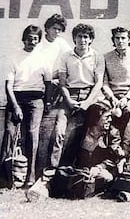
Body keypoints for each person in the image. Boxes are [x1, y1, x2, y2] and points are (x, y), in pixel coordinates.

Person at [0, 25, 52, 187]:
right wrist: (15, 106)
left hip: (36, 99)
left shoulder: (44, 58)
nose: (32, 42)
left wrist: (48, 102)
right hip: (16, 98)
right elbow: (8, 86)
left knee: (31, 133)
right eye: (29, 38)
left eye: (35, 39)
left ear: (39, 41)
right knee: (9, 132)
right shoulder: (14, 56)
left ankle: (30, 177)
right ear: (24, 39)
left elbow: (48, 83)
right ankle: (4, 178)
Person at [50, 23, 105, 167]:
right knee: (59, 131)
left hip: (90, 95)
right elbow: (62, 83)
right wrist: (68, 100)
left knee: (82, 134)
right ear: (74, 38)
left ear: (90, 39)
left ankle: (76, 169)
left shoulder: (97, 56)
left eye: (86, 37)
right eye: (79, 36)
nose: (82, 40)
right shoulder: (66, 56)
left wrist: (87, 103)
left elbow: (98, 83)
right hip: (70, 95)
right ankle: (53, 169)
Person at [54, 101, 123, 198]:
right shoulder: (79, 132)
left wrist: (99, 167)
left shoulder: (112, 133)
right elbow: (68, 156)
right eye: (107, 117)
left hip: (102, 170)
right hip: (81, 171)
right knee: (60, 175)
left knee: (105, 178)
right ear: (95, 118)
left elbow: (114, 158)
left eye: (110, 116)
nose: (110, 120)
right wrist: (75, 169)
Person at [102, 27, 130, 135]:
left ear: (129, 39)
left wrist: (126, 98)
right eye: (117, 38)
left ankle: (126, 144)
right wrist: (112, 97)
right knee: (100, 111)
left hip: (129, 95)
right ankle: (106, 146)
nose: (120, 41)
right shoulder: (106, 57)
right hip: (111, 95)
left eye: (123, 38)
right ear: (113, 40)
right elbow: (104, 82)